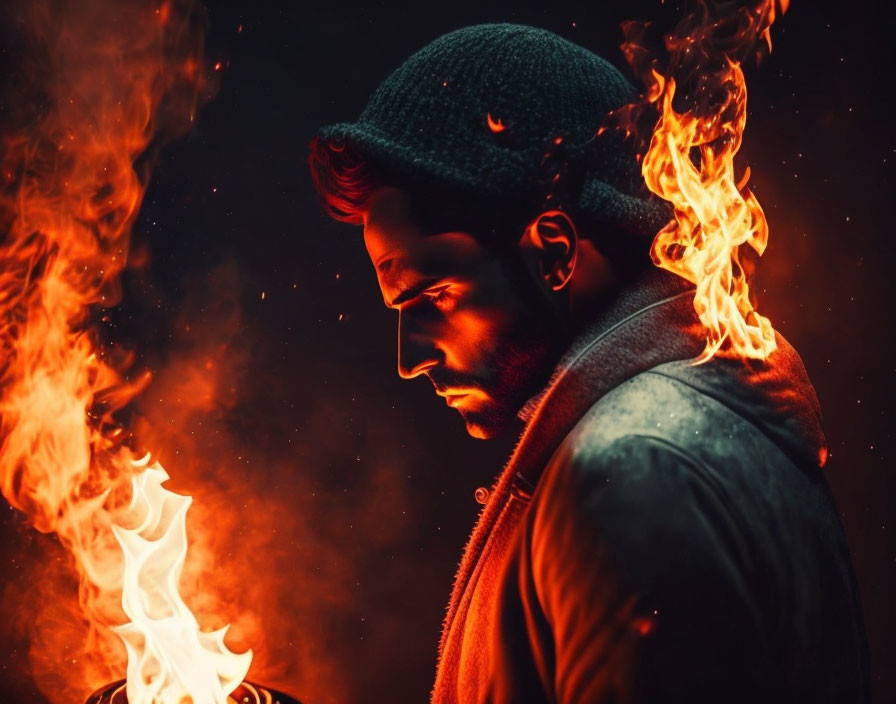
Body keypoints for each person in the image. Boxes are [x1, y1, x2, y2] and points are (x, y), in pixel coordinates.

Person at [309, 23, 869, 704]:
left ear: (553, 253)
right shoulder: (689, 431)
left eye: (431, 297)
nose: (410, 358)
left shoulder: (630, 472)